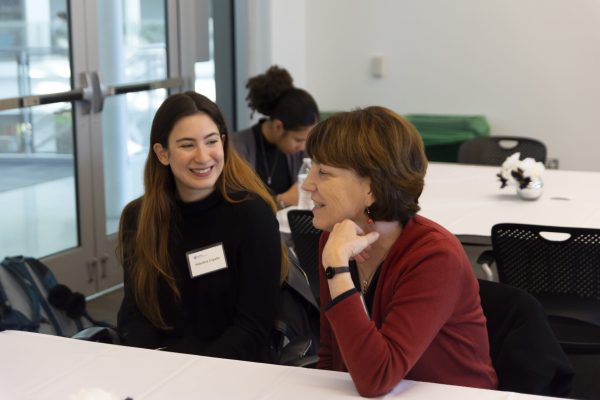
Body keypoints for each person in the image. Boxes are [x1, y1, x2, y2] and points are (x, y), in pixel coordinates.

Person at [302, 107, 498, 397]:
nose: (307, 185)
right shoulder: (336, 239)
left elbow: (377, 378)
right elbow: (332, 353)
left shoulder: (434, 255)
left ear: (371, 188)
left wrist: (337, 270)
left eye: (324, 172)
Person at [116, 91, 285, 363]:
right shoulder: (139, 217)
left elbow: (253, 329)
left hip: (230, 370)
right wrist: (150, 366)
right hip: (159, 370)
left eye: (211, 141)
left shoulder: (252, 217)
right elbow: (134, 315)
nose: (203, 156)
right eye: (187, 145)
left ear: (224, 143)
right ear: (162, 153)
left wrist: (189, 373)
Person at [232, 65, 319, 208]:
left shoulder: (302, 152)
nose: (303, 147)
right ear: (278, 127)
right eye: (298, 140)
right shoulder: (238, 148)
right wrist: (281, 200)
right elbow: (237, 205)